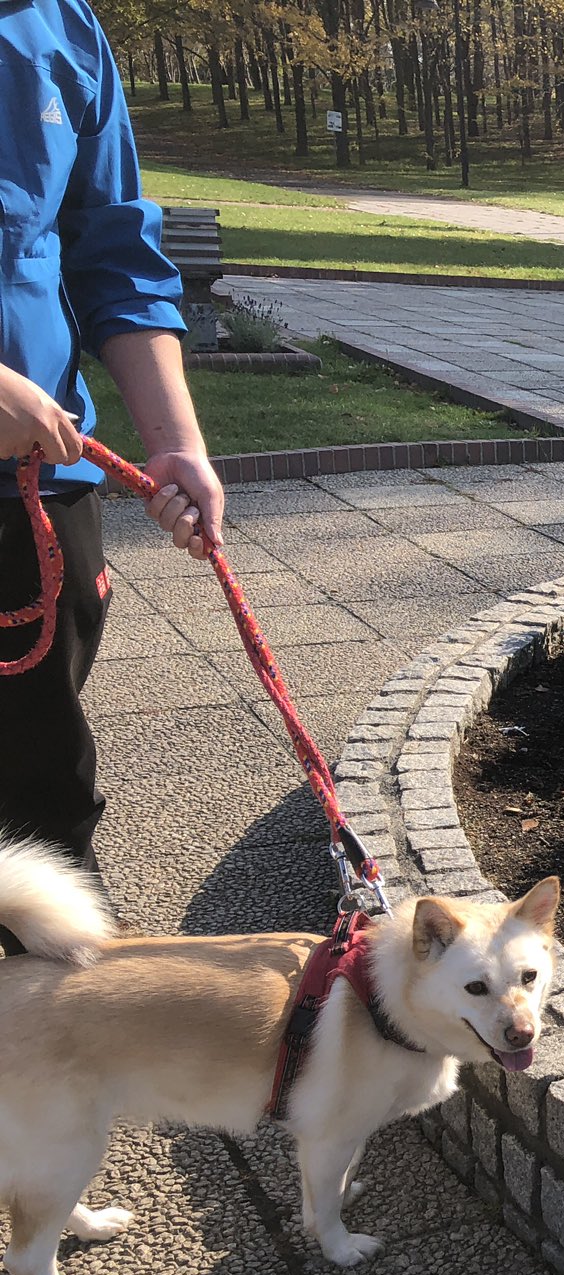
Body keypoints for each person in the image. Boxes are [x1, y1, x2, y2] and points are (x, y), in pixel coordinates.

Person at [1, 0, 225, 877]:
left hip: (38, 496)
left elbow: (114, 253)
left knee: (45, 808)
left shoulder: (65, 27)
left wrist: (176, 441)